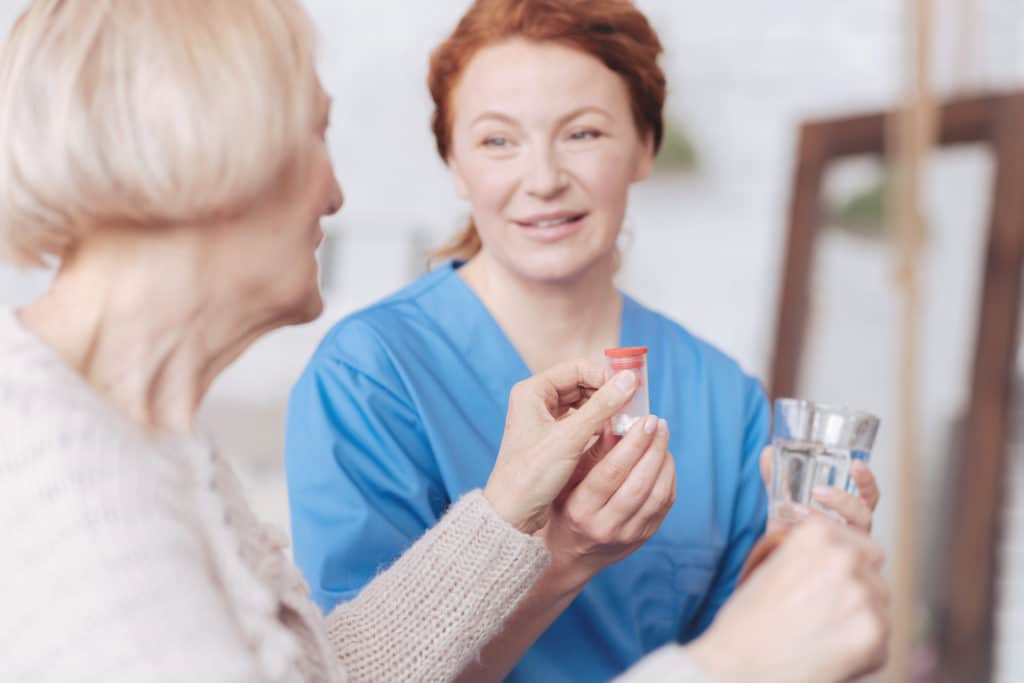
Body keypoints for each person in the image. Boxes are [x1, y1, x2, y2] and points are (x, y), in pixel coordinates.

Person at [0, 1, 888, 682]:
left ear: (643, 145)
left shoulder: (158, 448)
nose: (339, 192)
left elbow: (333, 670)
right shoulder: (61, 498)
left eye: (583, 133)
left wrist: (537, 532)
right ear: (205, 154)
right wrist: (719, 669)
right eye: (315, 135)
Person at [285, 1, 882, 681]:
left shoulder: (724, 399)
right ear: (454, 162)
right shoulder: (369, 376)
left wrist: (797, 583)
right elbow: (358, 673)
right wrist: (562, 556)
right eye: (497, 141)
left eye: (584, 133)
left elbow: (749, 654)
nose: (542, 179)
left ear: (645, 147)